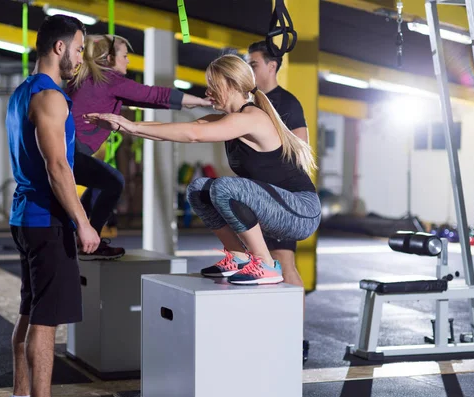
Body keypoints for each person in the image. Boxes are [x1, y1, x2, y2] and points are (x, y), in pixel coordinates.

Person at [85, 54, 321, 287]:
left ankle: (266, 264)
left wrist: (132, 126)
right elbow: (177, 128)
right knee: (199, 189)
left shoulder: (252, 117)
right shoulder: (230, 119)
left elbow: (193, 135)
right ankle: (239, 256)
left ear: (229, 84)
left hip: (301, 210)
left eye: (212, 85)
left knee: (223, 187)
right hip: (274, 204)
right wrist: (122, 125)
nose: (207, 92)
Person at [4, 15, 98, 397]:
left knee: (30, 310)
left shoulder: (22, 93)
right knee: (46, 322)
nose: (80, 58)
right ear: (59, 48)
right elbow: (57, 166)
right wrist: (82, 222)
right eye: (78, 49)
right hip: (46, 221)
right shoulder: (49, 98)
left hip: (24, 217)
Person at [67, 34, 211, 260]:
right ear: (109, 58)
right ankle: (90, 240)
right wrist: (203, 101)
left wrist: (191, 102)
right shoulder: (109, 80)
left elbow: (147, 99)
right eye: (124, 56)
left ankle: (77, 233)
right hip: (71, 151)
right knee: (114, 181)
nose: (128, 61)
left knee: (100, 182)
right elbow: (155, 94)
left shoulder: (89, 79)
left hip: (69, 149)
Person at [247, 40, 311, 362]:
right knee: (260, 265)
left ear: (272, 66)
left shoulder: (287, 103)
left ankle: (295, 340)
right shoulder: (250, 102)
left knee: (284, 264)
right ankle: (267, 333)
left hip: (283, 198)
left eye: (254, 64)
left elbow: (301, 151)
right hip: (256, 198)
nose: (250, 69)